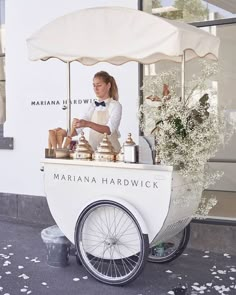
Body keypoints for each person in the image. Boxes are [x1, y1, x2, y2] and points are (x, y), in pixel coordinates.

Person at [71, 71, 122, 152]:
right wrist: (74, 125)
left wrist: (87, 123)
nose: (96, 88)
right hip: (94, 153)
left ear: (108, 85)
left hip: (112, 152)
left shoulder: (115, 105)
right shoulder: (91, 106)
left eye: (99, 85)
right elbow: (77, 131)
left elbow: (109, 130)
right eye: (94, 85)